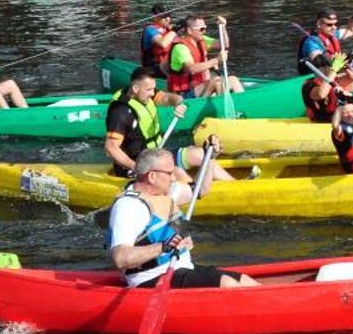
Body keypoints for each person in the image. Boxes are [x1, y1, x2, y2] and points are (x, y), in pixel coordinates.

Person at [107, 145, 256, 289]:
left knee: (245, 281)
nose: (173, 178)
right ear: (152, 176)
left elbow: (200, 190)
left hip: (182, 269)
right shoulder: (129, 207)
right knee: (227, 284)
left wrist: (209, 157)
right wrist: (163, 247)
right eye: (169, 173)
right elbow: (120, 258)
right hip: (151, 278)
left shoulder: (166, 192)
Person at [102, 68, 204, 178]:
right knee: (175, 172)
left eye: (153, 89)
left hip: (157, 154)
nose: (152, 93)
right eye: (149, 90)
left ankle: (224, 186)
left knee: (201, 155)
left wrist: (178, 103)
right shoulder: (120, 111)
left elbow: (167, 98)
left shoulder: (144, 93)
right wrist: (137, 168)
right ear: (136, 88)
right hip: (137, 164)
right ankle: (193, 191)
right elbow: (111, 148)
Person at [167, 15, 242, 97]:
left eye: (205, 28)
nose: (204, 31)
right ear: (189, 31)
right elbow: (192, 69)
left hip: (200, 86)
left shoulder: (202, 40)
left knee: (233, 79)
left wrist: (223, 27)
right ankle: (221, 106)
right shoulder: (180, 47)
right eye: (201, 29)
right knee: (216, 82)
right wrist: (216, 60)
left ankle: (242, 104)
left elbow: (224, 44)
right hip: (185, 93)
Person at [296, 9, 353, 74]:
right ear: (319, 24)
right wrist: (344, 60)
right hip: (316, 77)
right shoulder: (311, 41)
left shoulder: (333, 34)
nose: (334, 27)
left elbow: (350, 30)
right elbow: (319, 60)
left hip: (331, 72)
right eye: (329, 25)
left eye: (335, 24)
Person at [139, 5, 177, 74]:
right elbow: (163, 44)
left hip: (168, 65)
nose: (167, 19)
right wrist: (175, 30)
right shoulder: (150, 29)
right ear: (155, 17)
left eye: (168, 16)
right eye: (163, 17)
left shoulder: (169, 30)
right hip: (153, 68)